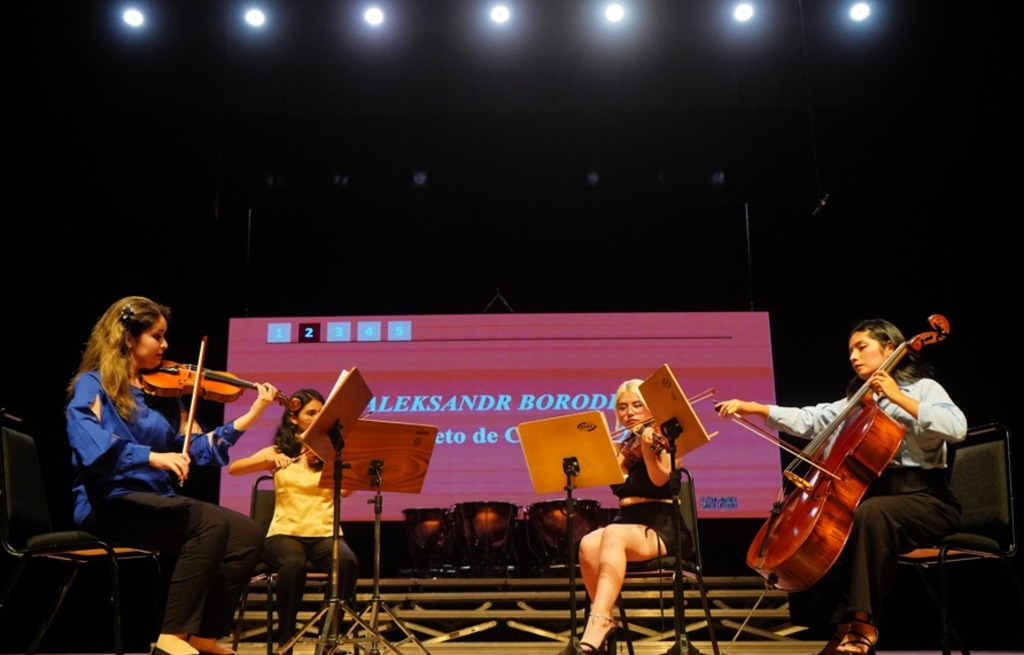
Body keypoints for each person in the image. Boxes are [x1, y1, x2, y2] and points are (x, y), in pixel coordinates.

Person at [714, 318, 967, 655]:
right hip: (877, 498)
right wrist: (757, 409)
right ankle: (841, 629)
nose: (853, 356)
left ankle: (863, 623)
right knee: (834, 531)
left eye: (861, 347)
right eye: (850, 350)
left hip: (927, 499)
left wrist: (898, 397)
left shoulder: (924, 389)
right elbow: (812, 419)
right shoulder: (858, 402)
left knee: (871, 515)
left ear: (890, 348)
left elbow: (957, 427)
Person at [65, 295, 280, 655]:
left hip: (155, 501)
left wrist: (252, 415)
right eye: (157, 336)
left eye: (165, 336)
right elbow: (91, 444)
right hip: (107, 501)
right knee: (208, 520)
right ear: (128, 338)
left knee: (247, 533)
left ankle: (204, 635)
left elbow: (196, 449)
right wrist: (152, 457)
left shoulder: (164, 395)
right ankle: (172, 635)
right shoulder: (94, 385)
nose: (165, 346)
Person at [562, 379, 695, 655]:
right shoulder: (622, 446)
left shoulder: (668, 440)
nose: (629, 412)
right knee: (587, 544)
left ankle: (596, 622)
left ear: (652, 408)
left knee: (611, 534)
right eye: (622, 407)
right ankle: (607, 618)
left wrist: (648, 450)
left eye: (637, 405)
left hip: (662, 526)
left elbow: (660, 480)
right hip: (628, 524)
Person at [228, 388, 359, 652]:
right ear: (293, 418)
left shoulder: (331, 455)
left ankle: (328, 640)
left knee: (347, 561)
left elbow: (345, 490)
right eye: (312, 412)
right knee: (293, 564)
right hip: (284, 533)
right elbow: (234, 469)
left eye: (322, 413)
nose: (318, 417)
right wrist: (268, 459)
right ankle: (286, 640)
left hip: (325, 533)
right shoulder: (280, 451)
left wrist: (332, 460)